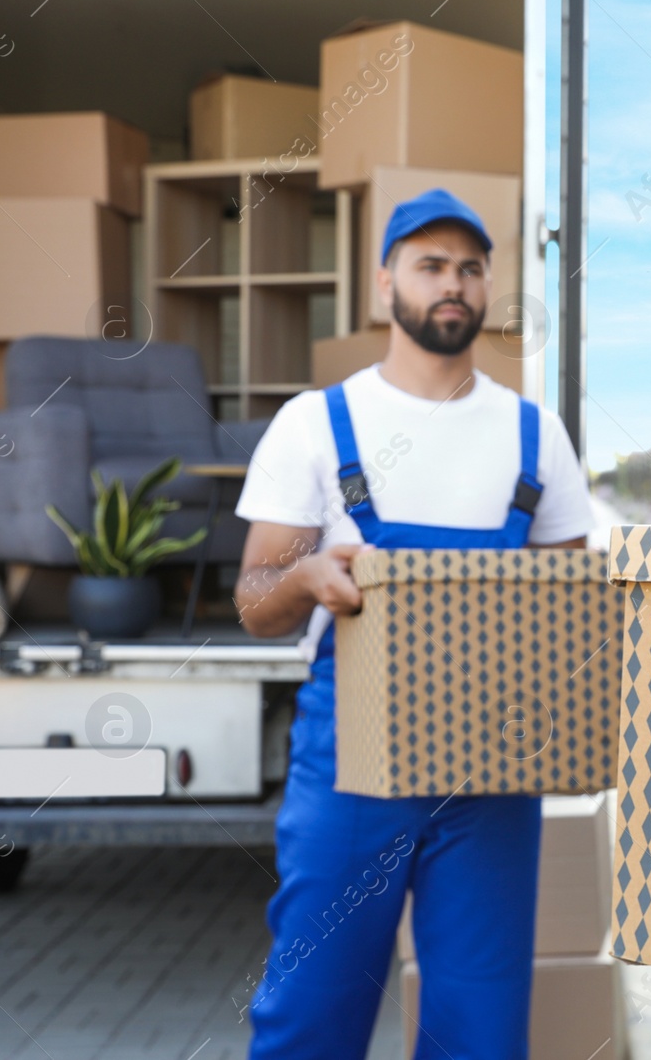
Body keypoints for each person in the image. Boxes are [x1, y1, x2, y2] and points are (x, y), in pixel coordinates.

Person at [232, 188, 596, 1059]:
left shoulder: (532, 434)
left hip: (497, 766)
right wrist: (310, 574)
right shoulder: (316, 423)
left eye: (470, 268)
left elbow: (574, 604)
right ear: (385, 280)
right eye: (431, 264)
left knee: (481, 1024)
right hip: (351, 759)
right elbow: (252, 597)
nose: (454, 284)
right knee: (311, 1013)